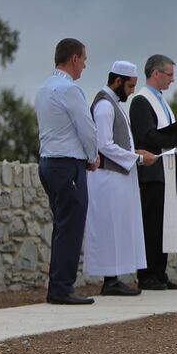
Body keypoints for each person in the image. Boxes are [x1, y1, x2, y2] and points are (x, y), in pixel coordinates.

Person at [83, 61, 158, 295]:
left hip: (116, 179)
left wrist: (136, 154)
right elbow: (104, 145)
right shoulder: (105, 107)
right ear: (117, 81)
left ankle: (114, 278)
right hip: (107, 179)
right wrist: (136, 158)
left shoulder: (113, 104)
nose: (132, 90)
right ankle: (110, 280)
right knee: (110, 229)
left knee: (118, 228)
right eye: (130, 85)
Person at [34, 38, 100, 305]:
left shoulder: (43, 88)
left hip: (48, 163)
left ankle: (59, 285)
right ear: (74, 58)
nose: (84, 66)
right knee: (71, 226)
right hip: (67, 164)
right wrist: (91, 156)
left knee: (62, 225)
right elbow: (86, 128)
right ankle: (62, 287)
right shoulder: (69, 89)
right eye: (83, 60)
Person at [130, 55, 177, 291]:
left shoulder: (161, 102)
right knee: (151, 224)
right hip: (151, 172)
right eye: (169, 74)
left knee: (164, 222)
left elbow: (163, 133)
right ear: (156, 74)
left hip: (166, 170)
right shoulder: (141, 101)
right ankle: (147, 275)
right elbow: (147, 136)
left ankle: (160, 273)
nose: (173, 79)